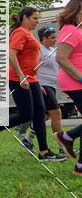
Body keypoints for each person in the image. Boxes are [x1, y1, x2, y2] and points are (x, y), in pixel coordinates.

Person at [0, 6, 62, 160]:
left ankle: (44, 152)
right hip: (18, 79)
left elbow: (29, 59)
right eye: (35, 18)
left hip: (32, 79)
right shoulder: (19, 32)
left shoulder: (28, 33)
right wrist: (21, 77)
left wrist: (35, 82)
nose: (37, 21)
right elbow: (11, 55)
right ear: (25, 18)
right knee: (27, 114)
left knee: (39, 114)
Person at [17, 26, 66, 158]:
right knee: (57, 114)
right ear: (44, 38)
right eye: (52, 38)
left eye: (55, 37)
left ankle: (27, 140)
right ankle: (63, 148)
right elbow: (31, 68)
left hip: (52, 86)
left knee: (44, 116)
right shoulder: (39, 50)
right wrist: (37, 83)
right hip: (43, 85)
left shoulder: (53, 50)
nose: (54, 40)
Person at [55, 0, 82, 173]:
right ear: (76, 12)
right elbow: (61, 58)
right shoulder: (70, 31)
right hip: (75, 82)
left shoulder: (76, 30)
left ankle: (68, 137)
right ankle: (67, 136)